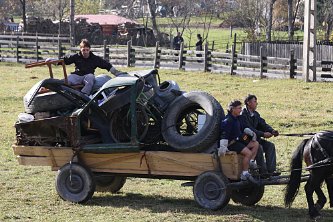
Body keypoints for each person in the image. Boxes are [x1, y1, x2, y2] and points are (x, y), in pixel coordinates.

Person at [218, 100, 259, 181]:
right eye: (239, 108)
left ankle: (250, 162)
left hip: (239, 141)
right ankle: (244, 173)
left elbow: (243, 127)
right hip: (232, 144)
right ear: (233, 109)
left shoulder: (237, 118)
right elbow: (224, 134)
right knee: (248, 153)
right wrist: (223, 146)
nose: (241, 110)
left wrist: (250, 132)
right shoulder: (228, 120)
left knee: (255, 144)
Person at [241, 94, 280, 177]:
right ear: (248, 103)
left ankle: (271, 171)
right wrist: (263, 134)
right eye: (255, 101)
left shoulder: (255, 114)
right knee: (259, 147)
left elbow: (263, 124)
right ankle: (263, 172)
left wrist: (272, 130)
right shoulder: (243, 114)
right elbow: (249, 128)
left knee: (270, 146)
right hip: (246, 141)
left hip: (256, 139)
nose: (256, 103)